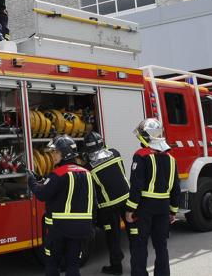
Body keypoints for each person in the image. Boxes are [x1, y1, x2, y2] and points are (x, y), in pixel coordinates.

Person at [29, 135, 97, 276]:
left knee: (52, 265)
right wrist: (92, 226)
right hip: (80, 229)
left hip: (59, 229)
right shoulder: (87, 174)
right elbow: (93, 204)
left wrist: (32, 182)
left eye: (56, 152)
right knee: (73, 265)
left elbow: (42, 194)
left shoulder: (58, 174)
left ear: (65, 153)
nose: (53, 155)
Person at [126, 118, 180, 276]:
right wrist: (173, 211)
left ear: (146, 137)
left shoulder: (140, 156)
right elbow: (175, 188)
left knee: (140, 246)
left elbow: (136, 186)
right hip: (163, 208)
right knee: (161, 245)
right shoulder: (171, 158)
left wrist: (130, 209)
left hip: (144, 208)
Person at [83, 132, 130, 275]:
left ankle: (116, 267)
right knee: (134, 234)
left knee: (113, 237)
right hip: (128, 201)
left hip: (108, 208)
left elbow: (93, 192)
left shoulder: (89, 168)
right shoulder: (115, 153)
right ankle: (139, 267)